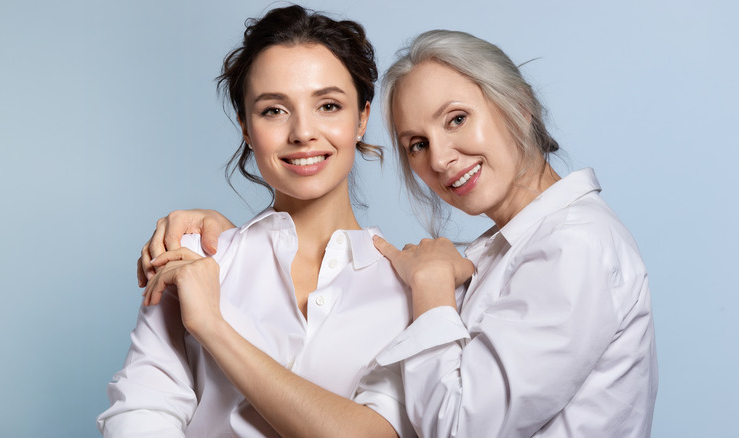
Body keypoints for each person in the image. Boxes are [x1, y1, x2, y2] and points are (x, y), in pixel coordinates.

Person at [142, 30, 658, 437]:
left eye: (457, 119)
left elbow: (456, 428)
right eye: (416, 143)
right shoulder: (490, 255)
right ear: (245, 126)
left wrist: (430, 287)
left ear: (518, 104)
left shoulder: (572, 245)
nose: (439, 158)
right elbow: (143, 408)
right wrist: (235, 247)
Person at [98, 5, 415, 437]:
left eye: (327, 105)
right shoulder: (192, 258)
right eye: (273, 111)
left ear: (361, 118)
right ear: (246, 127)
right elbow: (140, 412)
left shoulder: (414, 290)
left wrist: (210, 324)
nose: (303, 132)